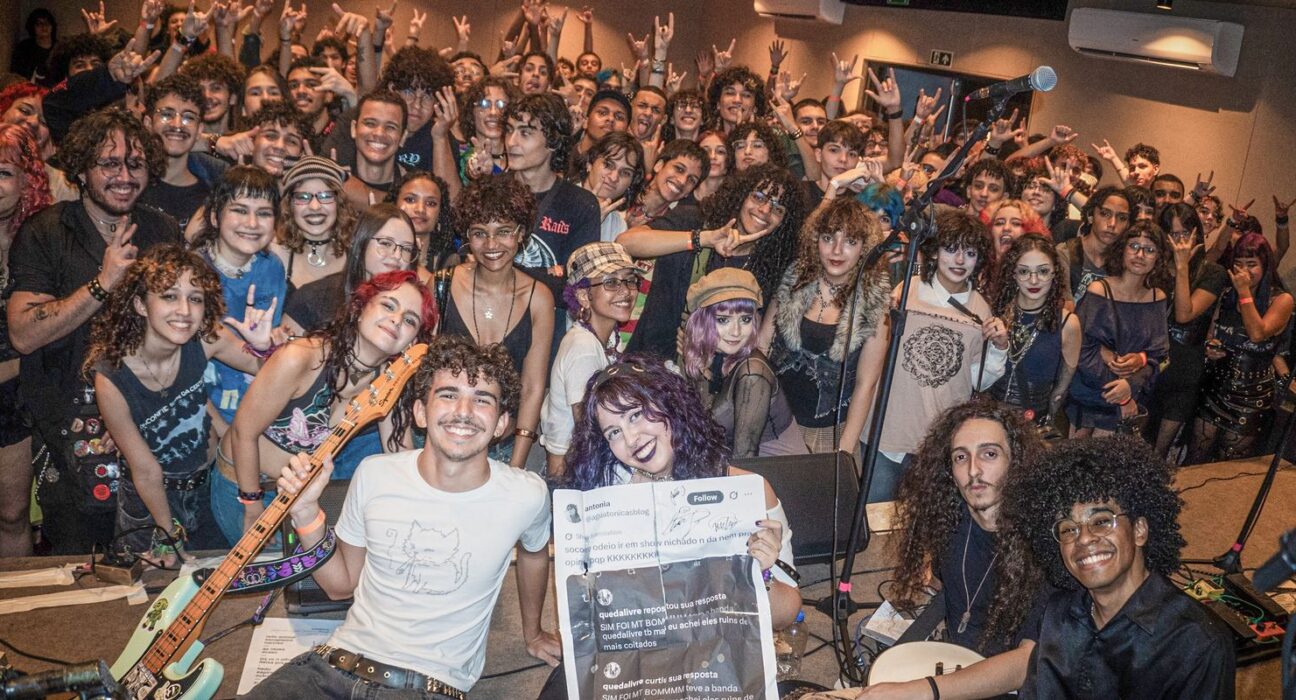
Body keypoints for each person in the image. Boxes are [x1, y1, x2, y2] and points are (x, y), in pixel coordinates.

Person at [244, 336, 560, 698]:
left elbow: (536, 552)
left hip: (425, 687)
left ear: (502, 422)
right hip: (331, 667)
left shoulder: (526, 495)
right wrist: (304, 512)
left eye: (482, 399)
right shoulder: (374, 473)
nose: (464, 410)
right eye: (448, 394)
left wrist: (533, 633)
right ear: (420, 413)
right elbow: (339, 585)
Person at [7, 107, 183, 554]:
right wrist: (102, 284)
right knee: (79, 570)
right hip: (68, 429)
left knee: (152, 561)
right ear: (83, 169)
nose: (124, 175)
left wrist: (137, 412)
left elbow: (180, 334)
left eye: (136, 164)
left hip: (147, 422)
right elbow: (24, 334)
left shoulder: (160, 228)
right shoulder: (47, 230)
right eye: (109, 163)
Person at [564, 356, 800, 622]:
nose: (631, 439)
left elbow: (786, 614)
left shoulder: (745, 492)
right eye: (613, 433)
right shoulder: (606, 497)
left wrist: (763, 572)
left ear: (669, 405)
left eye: (636, 415)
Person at [84, 244, 275, 564]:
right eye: (169, 296)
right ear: (141, 305)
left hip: (206, 490)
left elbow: (271, 371)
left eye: (195, 298)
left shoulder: (206, 338)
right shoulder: (111, 376)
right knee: (149, 595)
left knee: (211, 581)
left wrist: (262, 348)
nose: (185, 310)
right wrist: (167, 534)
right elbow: (145, 471)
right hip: (147, 503)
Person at [1005, 436, 1235, 698]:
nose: (1084, 538)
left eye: (1101, 521)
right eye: (1068, 528)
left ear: (1139, 530)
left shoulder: (1197, 643)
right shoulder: (1058, 615)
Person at [216, 270, 434, 542]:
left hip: (299, 497)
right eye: (388, 305)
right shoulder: (301, 357)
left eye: (410, 320)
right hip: (244, 486)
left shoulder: (389, 383)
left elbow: (399, 458)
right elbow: (242, 431)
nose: (396, 319)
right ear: (361, 306)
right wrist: (252, 505)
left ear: (412, 342)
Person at [856, 400, 1049, 699]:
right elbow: (950, 586)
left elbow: (1027, 663)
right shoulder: (951, 518)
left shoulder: (1044, 543)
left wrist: (923, 690)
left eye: (989, 454)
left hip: (1012, 685)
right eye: (961, 457)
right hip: (954, 659)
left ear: (1016, 461)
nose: (974, 470)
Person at [760, 198, 890, 477]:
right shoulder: (794, 279)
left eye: (850, 241)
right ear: (814, 239)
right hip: (774, 425)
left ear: (865, 248)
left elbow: (866, 385)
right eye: (828, 238)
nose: (837, 250)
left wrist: (842, 452)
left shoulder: (873, 302)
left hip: (830, 434)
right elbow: (761, 345)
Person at [874, 209, 1007, 479]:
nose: (959, 260)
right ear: (934, 252)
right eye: (951, 249)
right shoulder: (905, 290)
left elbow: (979, 381)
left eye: (970, 253)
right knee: (874, 517)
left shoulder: (981, 309)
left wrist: (1000, 347)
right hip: (887, 437)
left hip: (940, 442)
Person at [440, 176, 554, 467]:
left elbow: (532, 387)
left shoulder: (538, 297)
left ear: (521, 234)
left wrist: (516, 464)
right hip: (442, 441)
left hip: (502, 449)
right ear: (467, 236)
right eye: (479, 233)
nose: (491, 244)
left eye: (503, 231)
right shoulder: (442, 284)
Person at [188, 166, 287, 435]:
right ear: (215, 217)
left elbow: (268, 346)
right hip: (198, 412)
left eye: (264, 213)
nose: (252, 224)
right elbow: (179, 370)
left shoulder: (272, 267)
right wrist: (222, 434)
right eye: (240, 210)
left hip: (256, 407)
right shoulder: (190, 272)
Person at [1189, 232, 1294, 462]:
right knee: (1196, 457)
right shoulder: (1227, 293)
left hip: (1250, 397)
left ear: (1265, 266)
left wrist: (1244, 292)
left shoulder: (1281, 299)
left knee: (1228, 465)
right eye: (1238, 264)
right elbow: (1212, 331)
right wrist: (1211, 346)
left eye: (1251, 265)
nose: (1244, 271)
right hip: (1217, 387)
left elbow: (1258, 333)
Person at [505, 94, 600, 346]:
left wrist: (505, 270)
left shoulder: (581, 204)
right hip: (491, 323)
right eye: (509, 130)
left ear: (553, 142)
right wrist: (543, 275)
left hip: (545, 337)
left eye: (525, 133)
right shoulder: (491, 192)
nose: (511, 142)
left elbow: (572, 290)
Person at [541, 242, 638, 478]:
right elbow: (589, 429)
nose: (625, 291)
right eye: (611, 282)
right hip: (573, 477)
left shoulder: (607, 339)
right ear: (584, 295)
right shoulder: (583, 346)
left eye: (629, 280)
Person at [1067, 221, 1171, 437]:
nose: (1140, 254)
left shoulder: (1157, 297)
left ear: (1158, 258)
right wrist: (1120, 393)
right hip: (1090, 393)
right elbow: (1080, 348)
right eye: (1133, 246)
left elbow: (1161, 356)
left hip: (1130, 396)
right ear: (1122, 249)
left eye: (1149, 249)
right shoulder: (1099, 290)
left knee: (1108, 469)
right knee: (1075, 466)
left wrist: (1131, 383)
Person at [680, 268, 797, 458]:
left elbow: (745, 456)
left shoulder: (753, 374)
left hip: (776, 477)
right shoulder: (711, 358)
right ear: (702, 322)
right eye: (723, 320)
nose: (736, 332)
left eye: (745, 319)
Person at [0, 123, 51, 556]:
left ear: (27, 180)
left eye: (3, 172)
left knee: (13, 513)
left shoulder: (38, 240)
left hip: (14, 398)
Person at [1150, 203, 1226, 460]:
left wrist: (1182, 267)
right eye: (1172, 235)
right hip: (1148, 361)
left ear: (1196, 234)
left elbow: (1184, 314)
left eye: (1184, 234)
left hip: (1184, 367)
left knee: (1159, 451)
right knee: (1136, 441)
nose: (1179, 242)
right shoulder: (1154, 267)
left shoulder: (1213, 272)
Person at [988, 234, 1080, 430]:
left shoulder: (1068, 323)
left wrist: (1048, 419)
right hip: (988, 416)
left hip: (1031, 425)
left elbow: (1060, 391)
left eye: (1043, 271)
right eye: (1024, 271)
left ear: (1055, 273)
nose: (1034, 280)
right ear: (1013, 273)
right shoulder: (996, 312)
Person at [283, 203, 418, 334]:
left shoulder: (414, 309)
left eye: (406, 249)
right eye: (386, 243)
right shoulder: (313, 298)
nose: (397, 255)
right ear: (360, 242)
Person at [274, 156, 356, 329]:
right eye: (303, 197)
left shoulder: (356, 257)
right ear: (290, 205)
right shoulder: (273, 254)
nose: (314, 206)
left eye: (325, 196)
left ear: (339, 203)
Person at [138, 74, 224, 230]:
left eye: (188, 118)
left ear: (200, 130)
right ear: (148, 124)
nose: (177, 124)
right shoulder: (129, 185)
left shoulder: (210, 200)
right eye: (166, 114)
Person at [1057, 186, 1133, 304]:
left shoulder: (1127, 260)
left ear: (1128, 224)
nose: (1112, 224)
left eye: (1122, 218)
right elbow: (1064, 307)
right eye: (1105, 214)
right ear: (1090, 216)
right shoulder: (1065, 252)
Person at [571, 132, 645, 243]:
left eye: (625, 172)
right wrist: (589, 221)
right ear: (589, 163)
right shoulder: (560, 198)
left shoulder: (619, 226)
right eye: (609, 165)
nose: (614, 177)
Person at [340, 89, 408, 209]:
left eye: (390, 127)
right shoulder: (333, 182)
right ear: (353, 129)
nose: (379, 133)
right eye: (370, 123)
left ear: (402, 137)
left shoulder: (414, 186)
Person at [393, 170, 456, 273]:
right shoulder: (378, 250)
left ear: (440, 213)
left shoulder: (451, 261)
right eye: (410, 200)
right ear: (394, 204)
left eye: (431, 203)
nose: (420, 209)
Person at [10, 9, 57, 85]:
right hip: (29, 92)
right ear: (33, 27)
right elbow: (16, 76)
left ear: (52, 26)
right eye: (39, 24)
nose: (44, 27)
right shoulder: (24, 48)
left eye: (47, 23)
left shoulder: (59, 48)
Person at [694, 129, 728, 202]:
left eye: (720, 152)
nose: (712, 156)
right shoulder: (681, 197)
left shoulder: (736, 203)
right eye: (706, 151)